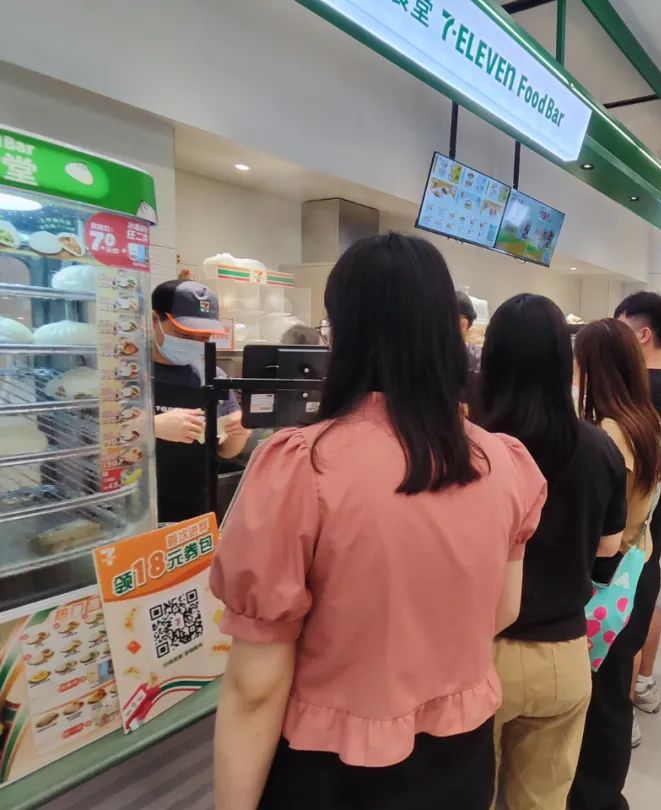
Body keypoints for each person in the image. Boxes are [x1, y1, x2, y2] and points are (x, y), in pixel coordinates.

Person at [210, 234, 547, 810]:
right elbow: (505, 610)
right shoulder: (502, 461)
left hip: (333, 770)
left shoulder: (302, 466)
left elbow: (254, 687)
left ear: (344, 332)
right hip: (461, 761)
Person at [478, 294, 627, 810]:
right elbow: (609, 549)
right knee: (543, 801)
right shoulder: (598, 446)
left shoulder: (472, 445)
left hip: (479, 654)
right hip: (564, 655)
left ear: (490, 360)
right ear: (566, 363)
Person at [569, 319, 661, 810]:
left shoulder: (608, 433)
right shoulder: (644, 419)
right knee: (613, 696)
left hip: (607, 578)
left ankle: (596, 798)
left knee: (601, 700)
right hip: (638, 570)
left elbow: (599, 530)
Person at [614, 292, 661, 730]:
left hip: (635, 523)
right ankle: (644, 684)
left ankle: (622, 716)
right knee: (646, 602)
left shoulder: (639, 387)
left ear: (642, 334)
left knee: (625, 618)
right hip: (659, 518)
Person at [150, 279, 251, 523]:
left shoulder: (212, 375)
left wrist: (239, 433)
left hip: (195, 512)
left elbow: (225, 451)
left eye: (204, 338)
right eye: (185, 334)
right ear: (154, 320)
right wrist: (151, 427)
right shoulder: (128, 375)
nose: (195, 344)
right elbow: (101, 440)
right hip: (142, 512)